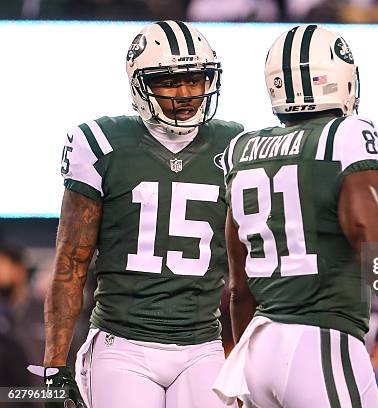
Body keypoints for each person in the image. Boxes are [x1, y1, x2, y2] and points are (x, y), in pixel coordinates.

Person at [213, 25, 378, 408]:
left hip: (259, 345)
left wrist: (246, 360)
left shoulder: (243, 150)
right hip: (321, 343)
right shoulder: (344, 136)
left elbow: (239, 287)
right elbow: (372, 246)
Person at [34, 20, 243, 408]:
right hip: (123, 343)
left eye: (196, 79)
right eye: (169, 81)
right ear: (139, 85)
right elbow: (71, 262)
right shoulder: (102, 143)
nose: (186, 93)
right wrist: (53, 367)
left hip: (203, 342)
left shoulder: (235, 145)